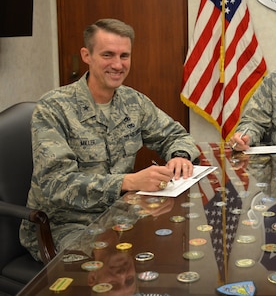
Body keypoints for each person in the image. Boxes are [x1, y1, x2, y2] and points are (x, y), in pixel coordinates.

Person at [20, 18, 200, 262]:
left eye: (124, 56)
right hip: (65, 226)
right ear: (87, 55)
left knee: (184, 239)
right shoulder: (53, 108)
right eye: (108, 55)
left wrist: (180, 156)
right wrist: (128, 181)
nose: (117, 65)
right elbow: (57, 185)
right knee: (109, 266)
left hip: (120, 215)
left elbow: (175, 135)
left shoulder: (133, 102)